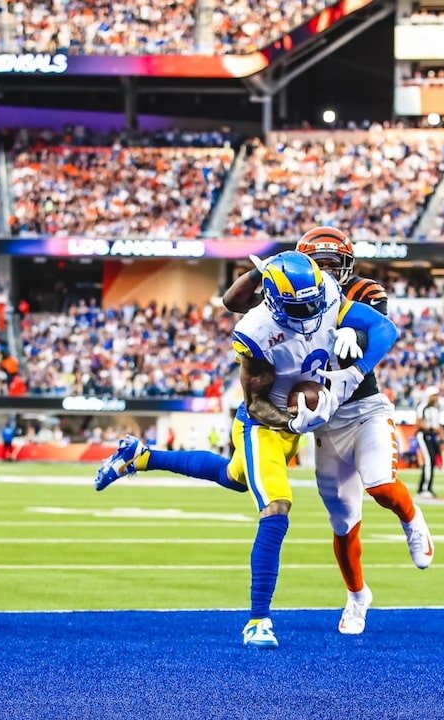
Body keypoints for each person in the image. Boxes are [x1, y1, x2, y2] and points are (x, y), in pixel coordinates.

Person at [93, 250, 401, 648]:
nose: (310, 311)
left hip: (297, 417)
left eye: (313, 302)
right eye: (298, 306)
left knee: (234, 476)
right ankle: (258, 620)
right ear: (270, 300)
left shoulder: (324, 289)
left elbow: (383, 328)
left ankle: (141, 456)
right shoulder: (256, 331)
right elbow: (256, 403)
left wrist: (352, 357)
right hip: (264, 423)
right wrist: (295, 421)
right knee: (276, 507)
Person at [219, 226, 435, 632]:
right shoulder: (291, 295)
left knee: (380, 485)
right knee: (342, 517)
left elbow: (381, 328)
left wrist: (354, 351)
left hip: (363, 405)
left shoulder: (350, 293)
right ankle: (357, 597)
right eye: (318, 266)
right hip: (324, 416)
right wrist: (263, 271)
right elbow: (234, 303)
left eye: (333, 266)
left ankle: (411, 518)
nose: (326, 273)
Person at [415, 387, 444, 497]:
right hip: (424, 435)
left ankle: (425, 487)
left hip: (433, 437)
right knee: (428, 461)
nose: (436, 397)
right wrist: (431, 428)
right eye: (434, 395)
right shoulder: (423, 406)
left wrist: (440, 437)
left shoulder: (436, 408)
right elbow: (418, 422)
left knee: (431, 461)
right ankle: (424, 489)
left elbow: (439, 425)